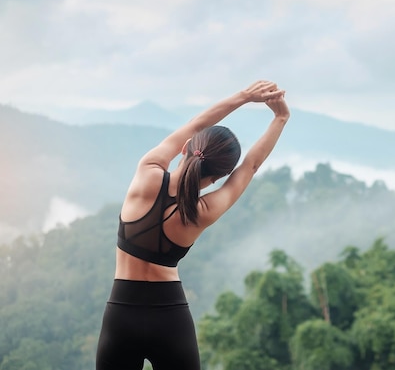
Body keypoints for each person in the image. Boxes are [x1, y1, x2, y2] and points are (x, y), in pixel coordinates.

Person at [95, 80, 289, 370]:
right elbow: (250, 166)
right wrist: (280, 118)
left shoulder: (148, 172)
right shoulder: (203, 211)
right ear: (219, 177)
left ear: (186, 148)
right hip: (171, 319)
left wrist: (245, 96)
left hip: (121, 316)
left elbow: (196, 123)